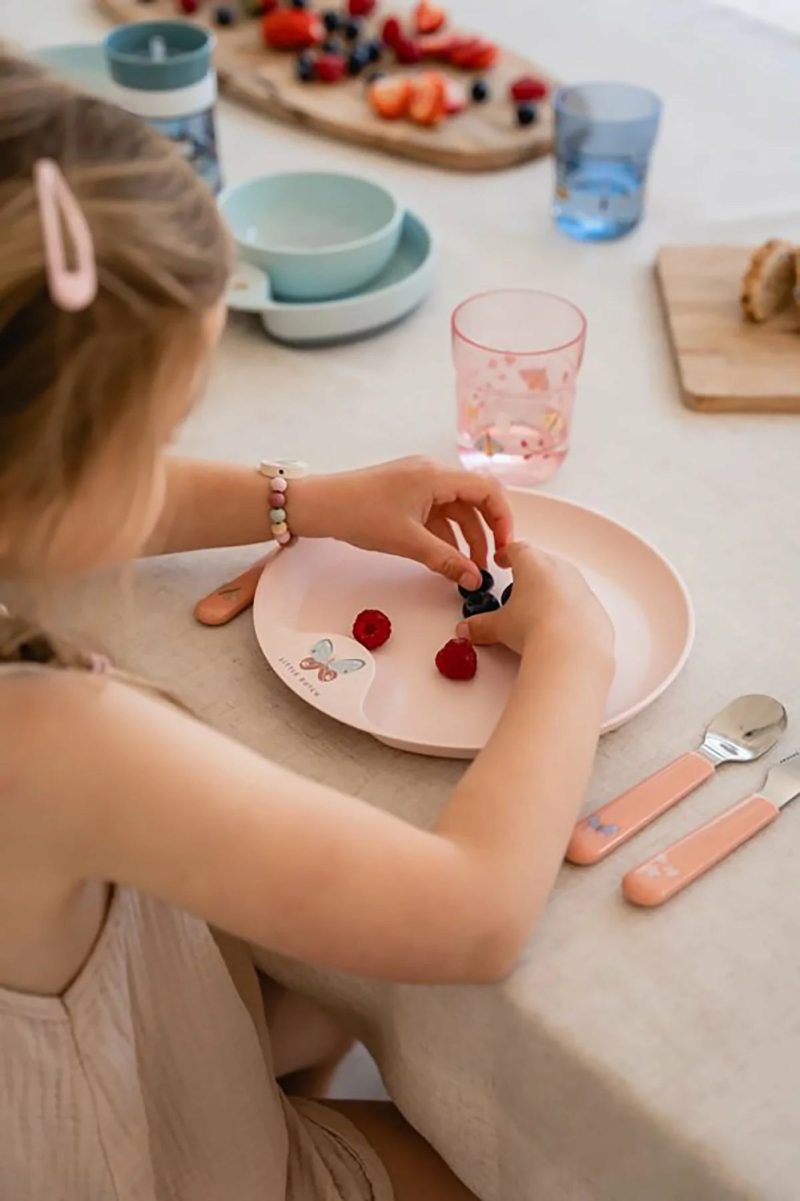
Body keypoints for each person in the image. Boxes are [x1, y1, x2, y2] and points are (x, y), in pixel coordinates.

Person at [0, 51, 614, 1201]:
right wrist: (573, 648)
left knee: (316, 1011)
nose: (162, 460)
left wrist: (302, 499)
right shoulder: (47, 741)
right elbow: (470, 916)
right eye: (154, 433)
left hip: (141, 1038)